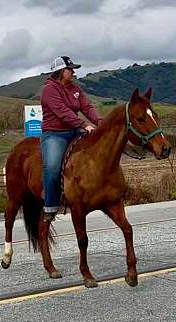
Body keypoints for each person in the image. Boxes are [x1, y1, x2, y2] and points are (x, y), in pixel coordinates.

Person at [40, 55, 102, 221]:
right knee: (52, 167)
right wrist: (83, 125)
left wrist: (100, 122)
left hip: (75, 130)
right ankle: (50, 206)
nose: (74, 72)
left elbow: (86, 107)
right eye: (71, 69)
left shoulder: (75, 89)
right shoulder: (49, 89)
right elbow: (62, 112)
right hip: (55, 133)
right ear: (61, 71)